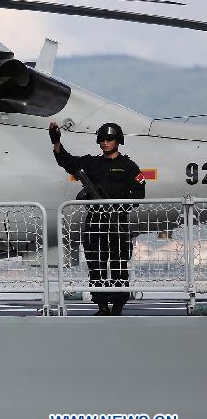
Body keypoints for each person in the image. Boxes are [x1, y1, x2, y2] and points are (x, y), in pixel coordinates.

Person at [49, 122, 145, 316]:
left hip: (118, 221)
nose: (105, 142)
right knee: (96, 264)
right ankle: (101, 306)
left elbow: (138, 193)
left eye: (109, 139)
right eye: (101, 139)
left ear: (118, 141)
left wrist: (118, 207)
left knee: (119, 264)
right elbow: (66, 161)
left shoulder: (129, 166)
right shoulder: (92, 164)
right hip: (95, 221)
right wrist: (56, 141)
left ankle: (118, 306)